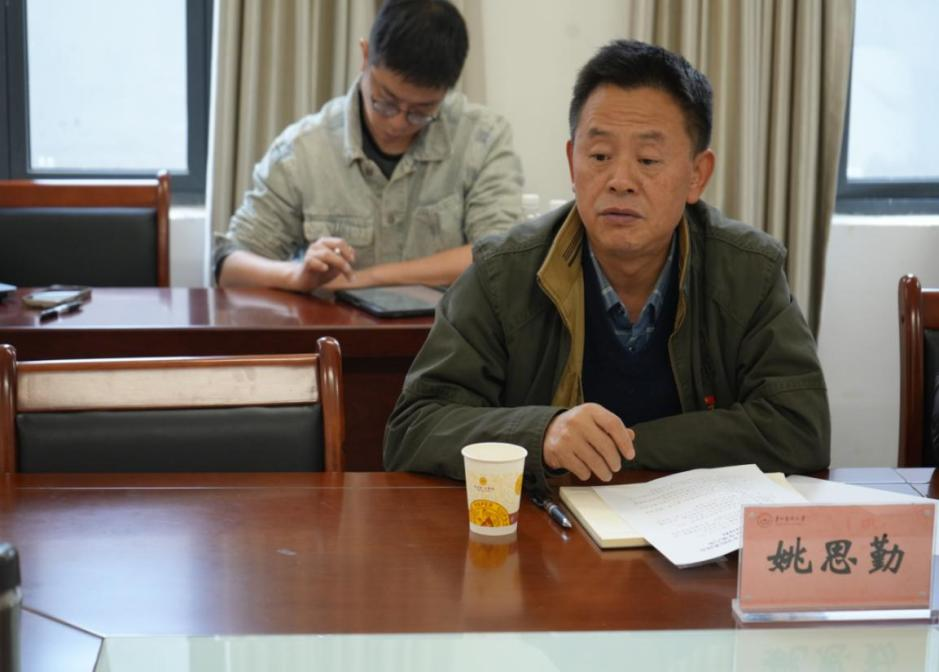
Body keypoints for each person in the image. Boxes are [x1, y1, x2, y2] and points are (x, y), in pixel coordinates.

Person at [384, 39, 830, 493]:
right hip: (547, 527)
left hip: (696, 529)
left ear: (697, 175)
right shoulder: (502, 273)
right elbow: (414, 427)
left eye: (648, 160)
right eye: (599, 156)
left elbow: (799, 428)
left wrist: (624, 447)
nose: (620, 181)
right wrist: (542, 435)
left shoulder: (748, 271)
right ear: (572, 162)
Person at [215, 0, 523, 291]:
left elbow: (499, 257)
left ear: (446, 91)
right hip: (334, 330)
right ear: (365, 56)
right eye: (385, 102)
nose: (397, 123)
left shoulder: (482, 138)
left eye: (420, 112)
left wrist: (365, 278)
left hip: (445, 330)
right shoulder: (305, 149)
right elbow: (230, 265)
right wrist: (297, 275)